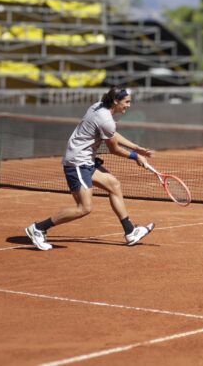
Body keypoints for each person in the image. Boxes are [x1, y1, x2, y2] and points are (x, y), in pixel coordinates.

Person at [24, 86, 155, 251]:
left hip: (85, 160)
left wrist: (136, 147)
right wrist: (136, 157)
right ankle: (38, 228)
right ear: (116, 101)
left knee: (114, 185)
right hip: (78, 162)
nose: (128, 105)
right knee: (84, 208)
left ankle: (130, 231)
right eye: (126, 102)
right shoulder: (105, 119)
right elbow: (114, 149)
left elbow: (112, 133)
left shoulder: (99, 106)